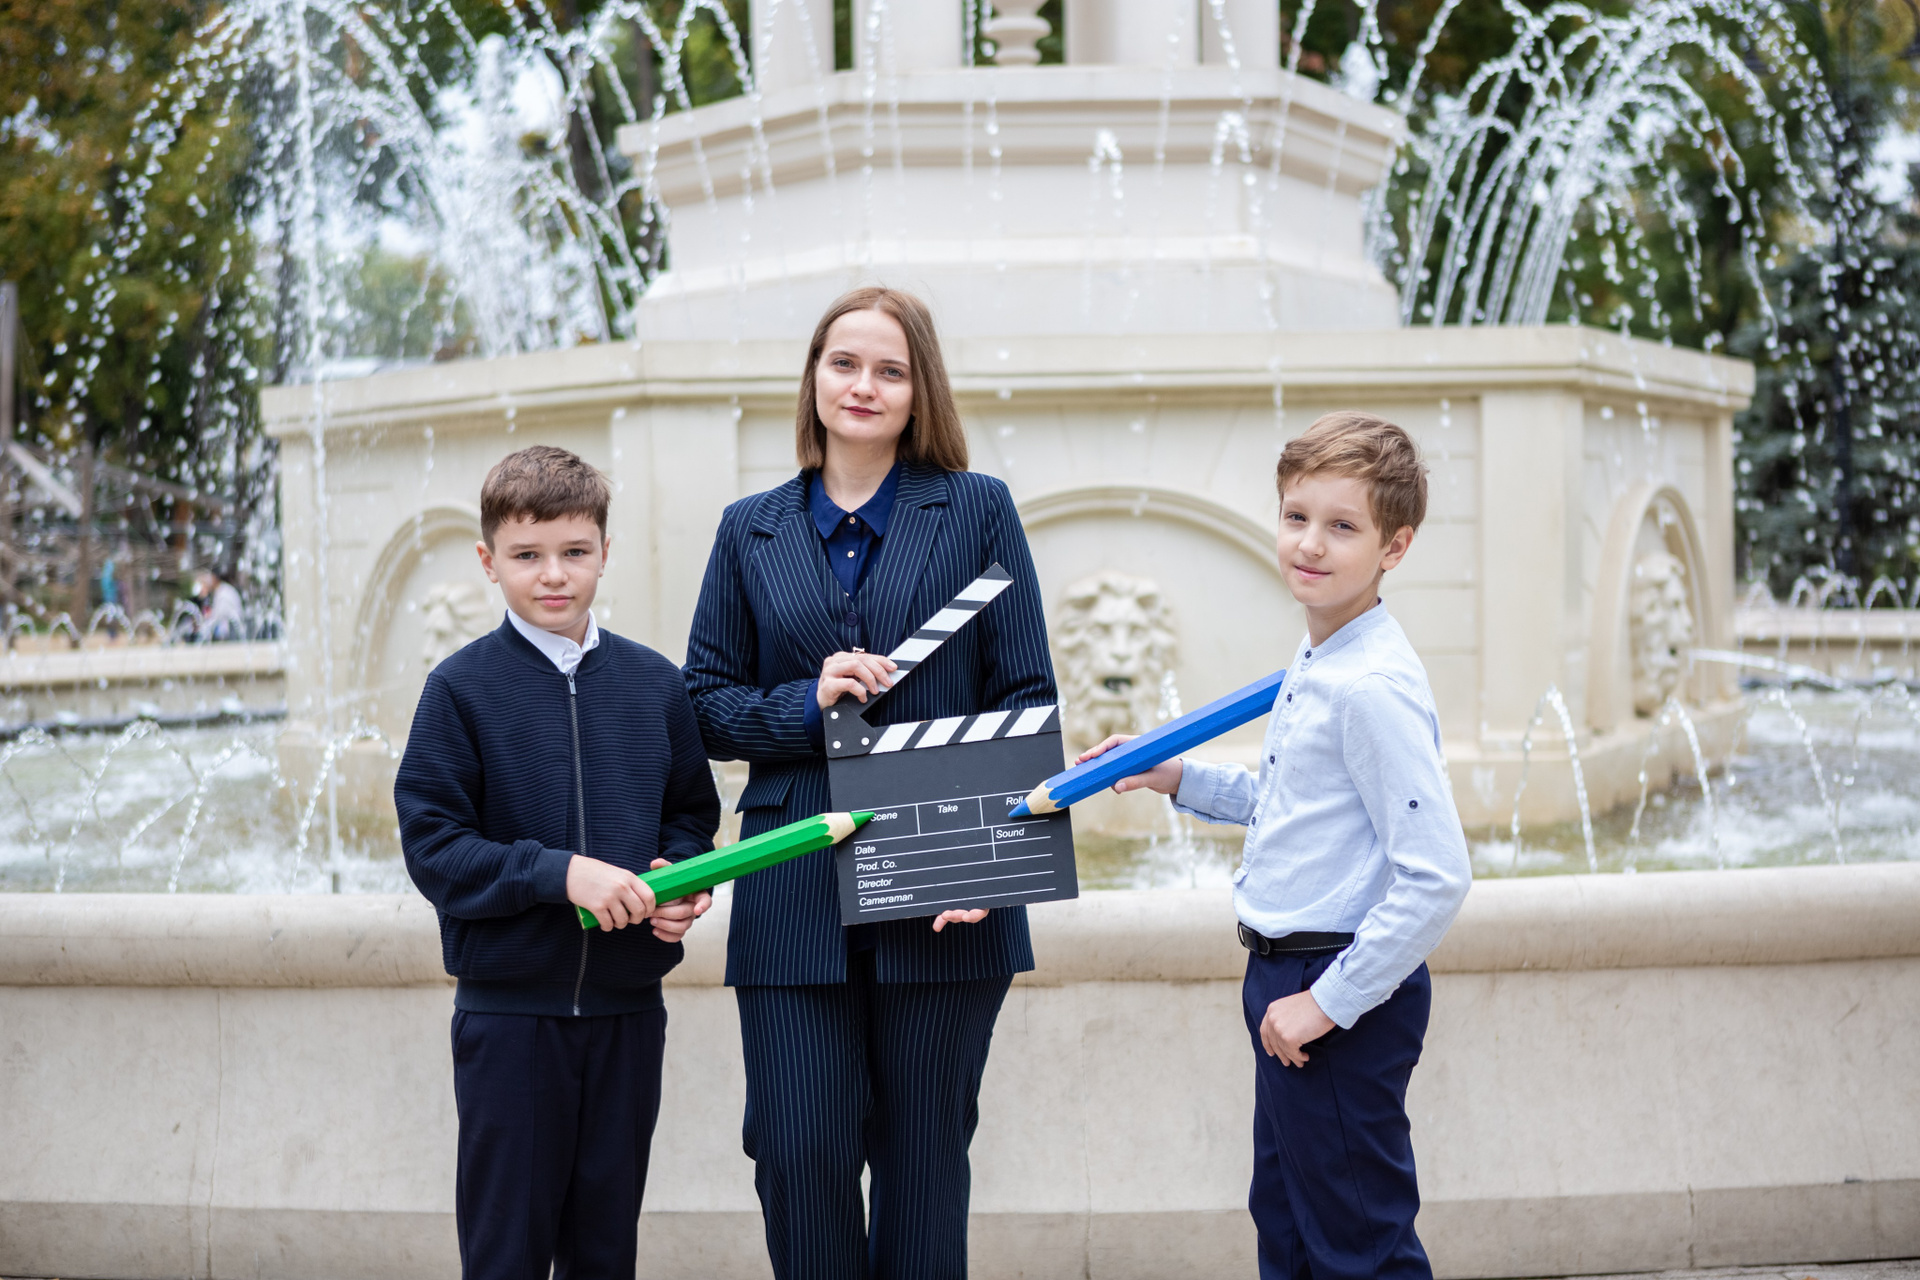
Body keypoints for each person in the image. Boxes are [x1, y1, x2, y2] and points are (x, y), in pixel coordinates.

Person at [684, 286, 1056, 1280]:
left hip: (947, 882)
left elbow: (1026, 694)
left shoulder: (978, 509)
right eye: (845, 362)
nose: (864, 385)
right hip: (792, 878)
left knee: (923, 1163)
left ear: (919, 388)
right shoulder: (748, 529)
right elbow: (705, 704)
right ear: (814, 375)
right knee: (795, 1151)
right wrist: (804, 703)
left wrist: (993, 859)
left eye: (890, 369)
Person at [1081, 411, 1471, 1280]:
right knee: (1290, 1228)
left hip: (1332, 984)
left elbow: (1438, 876)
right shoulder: (1319, 656)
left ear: (1395, 546)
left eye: (1343, 527)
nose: (1311, 544)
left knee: (1359, 1248)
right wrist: (1175, 775)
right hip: (1288, 974)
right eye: (1297, 516)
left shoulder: (1369, 686)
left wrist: (1327, 1003)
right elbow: (1293, 806)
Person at [394, 445, 722, 1280]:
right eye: (527, 555)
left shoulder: (656, 685)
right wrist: (560, 873)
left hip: (628, 1014)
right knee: (506, 1254)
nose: (553, 575)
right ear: (488, 562)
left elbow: (691, 815)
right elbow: (434, 848)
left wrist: (680, 882)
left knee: (606, 1252)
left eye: (575, 552)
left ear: (605, 552)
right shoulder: (459, 689)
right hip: (510, 1022)